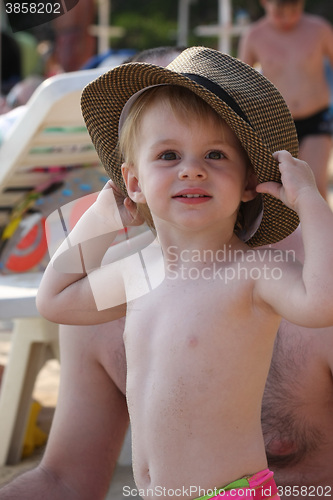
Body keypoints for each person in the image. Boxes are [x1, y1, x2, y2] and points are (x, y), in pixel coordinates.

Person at [33, 45, 333, 500]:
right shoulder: (138, 273)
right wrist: (101, 216)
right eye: (169, 156)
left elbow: (321, 301)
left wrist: (311, 201)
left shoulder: (252, 270)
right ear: (134, 182)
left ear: (249, 182)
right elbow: (55, 299)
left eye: (215, 155)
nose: (192, 170)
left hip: (231, 493)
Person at [238, 0, 333, 199]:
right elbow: (240, 82)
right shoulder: (255, 36)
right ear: (265, 3)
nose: (288, 18)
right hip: (277, 121)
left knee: (313, 183)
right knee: (278, 188)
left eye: (295, 10)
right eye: (279, 12)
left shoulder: (319, 29)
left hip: (317, 117)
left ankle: (323, 230)